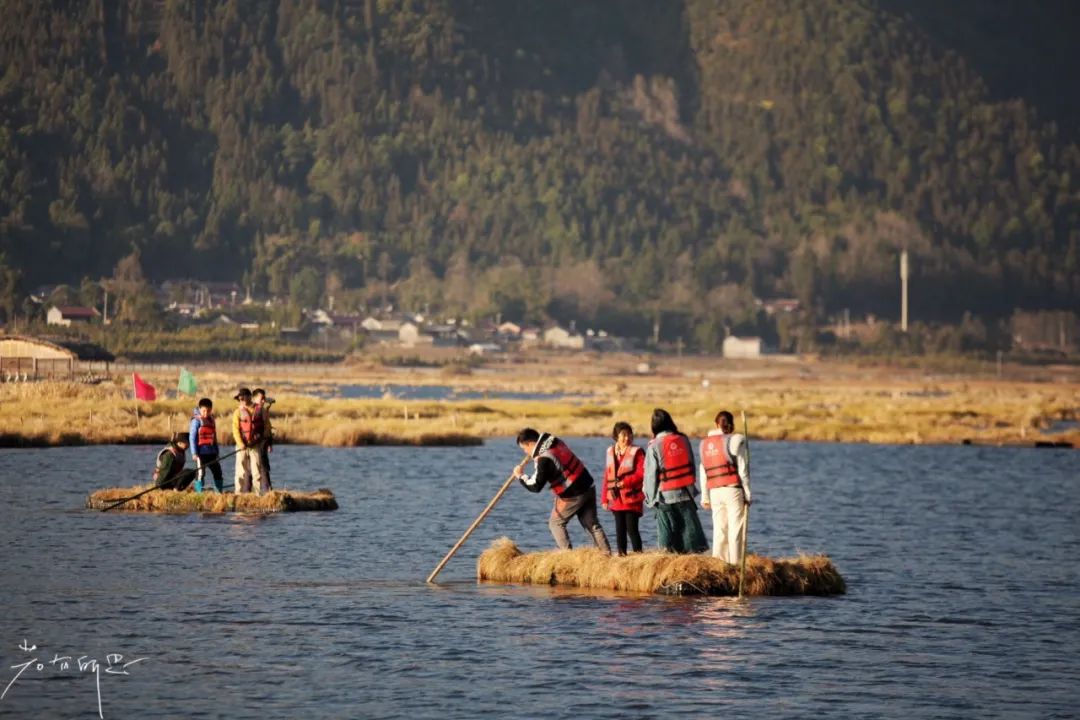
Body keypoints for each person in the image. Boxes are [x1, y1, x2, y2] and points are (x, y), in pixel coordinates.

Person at [513, 428, 611, 553]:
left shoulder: (543, 458)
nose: (525, 452)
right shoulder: (553, 440)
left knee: (555, 523)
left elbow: (536, 486)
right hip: (588, 485)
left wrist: (520, 476)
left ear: (530, 444)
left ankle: (567, 556)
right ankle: (606, 555)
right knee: (592, 525)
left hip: (574, 494)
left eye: (524, 448)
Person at [643, 408, 707, 554]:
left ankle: (667, 557)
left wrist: (650, 499)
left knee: (666, 533)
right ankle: (689, 557)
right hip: (685, 493)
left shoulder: (654, 446)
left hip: (664, 496)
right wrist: (691, 489)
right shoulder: (683, 440)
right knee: (688, 534)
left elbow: (650, 476)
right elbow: (691, 464)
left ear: (654, 426)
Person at [699, 410, 753, 564]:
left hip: (715, 491)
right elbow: (743, 471)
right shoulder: (736, 441)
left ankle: (719, 564)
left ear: (716, 424)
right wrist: (748, 495)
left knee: (720, 531)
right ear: (732, 425)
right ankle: (735, 565)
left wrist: (705, 496)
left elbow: (703, 471)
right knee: (735, 531)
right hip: (733, 491)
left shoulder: (705, 444)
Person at [601, 421, 645, 555]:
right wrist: (604, 499)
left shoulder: (638, 452)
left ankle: (639, 556)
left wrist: (624, 483)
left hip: (632, 499)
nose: (627, 438)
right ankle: (621, 556)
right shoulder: (610, 452)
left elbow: (642, 473)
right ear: (616, 436)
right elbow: (607, 476)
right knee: (619, 530)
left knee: (632, 530)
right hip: (617, 500)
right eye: (624, 435)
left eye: (630, 434)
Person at [231, 387, 268, 495]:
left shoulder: (260, 410)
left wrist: (262, 440)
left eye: (243, 398)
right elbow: (235, 430)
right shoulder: (237, 412)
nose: (241, 400)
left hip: (255, 445)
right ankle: (238, 494)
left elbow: (266, 426)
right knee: (240, 471)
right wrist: (241, 444)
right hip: (241, 446)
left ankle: (257, 494)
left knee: (256, 471)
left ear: (249, 397)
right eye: (239, 398)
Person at [189, 397, 224, 493]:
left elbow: (214, 438)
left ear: (211, 410)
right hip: (200, 453)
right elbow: (192, 438)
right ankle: (199, 493)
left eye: (208, 411)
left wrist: (217, 452)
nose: (206, 413)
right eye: (204, 411)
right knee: (201, 473)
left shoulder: (212, 420)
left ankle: (219, 492)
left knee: (217, 472)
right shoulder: (196, 421)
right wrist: (194, 453)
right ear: (200, 409)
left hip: (212, 452)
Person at [252, 388, 274, 492]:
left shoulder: (263, 410)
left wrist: (269, 443)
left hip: (264, 442)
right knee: (260, 467)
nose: (263, 401)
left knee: (264, 466)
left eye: (264, 398)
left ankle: (267, 490)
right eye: (261, 399)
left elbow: (268, 428)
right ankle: (266, 490)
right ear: (255, 399)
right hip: (256, 443)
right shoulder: (253, 411)